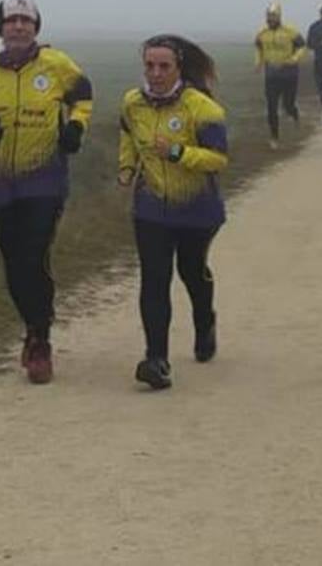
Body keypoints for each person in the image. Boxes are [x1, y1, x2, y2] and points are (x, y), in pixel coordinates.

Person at [0, 0, 93, 385]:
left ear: (36, 27)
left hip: (45, 180)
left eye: (25, 21)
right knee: (13, 265)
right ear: (0, 27)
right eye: (10, 21)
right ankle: (34, 324)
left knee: (34, 254)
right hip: (1, 182)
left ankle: (40, 339)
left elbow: (83, 95)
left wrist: (75, 127)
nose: (17, 27)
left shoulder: (57, 65)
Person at [118, 35, 228, 390]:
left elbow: (218, 159)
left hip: (197, 208)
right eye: (150, 65)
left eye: (164, 66)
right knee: (154, 278)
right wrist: (126, 167)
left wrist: (180, 154)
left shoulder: (203, 108)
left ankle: (204, 321)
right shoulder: (132, 104)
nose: (156, 73)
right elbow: (128, 138)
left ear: (179, 68)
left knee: (191, 271)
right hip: (150, 208)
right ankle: (156, 359)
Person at [255, 2, 305, 149]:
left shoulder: (291, 32)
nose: (270, 19)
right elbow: (258, 49)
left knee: (287, 105)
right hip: (271, 75)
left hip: (289, 74)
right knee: (271, 106)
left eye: (273, 16)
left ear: (279, 17)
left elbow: (302, 46)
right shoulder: (262, 34)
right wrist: (259, 62)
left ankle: (294, 113)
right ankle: (274, 136)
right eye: (268, 16)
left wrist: (294, 59)